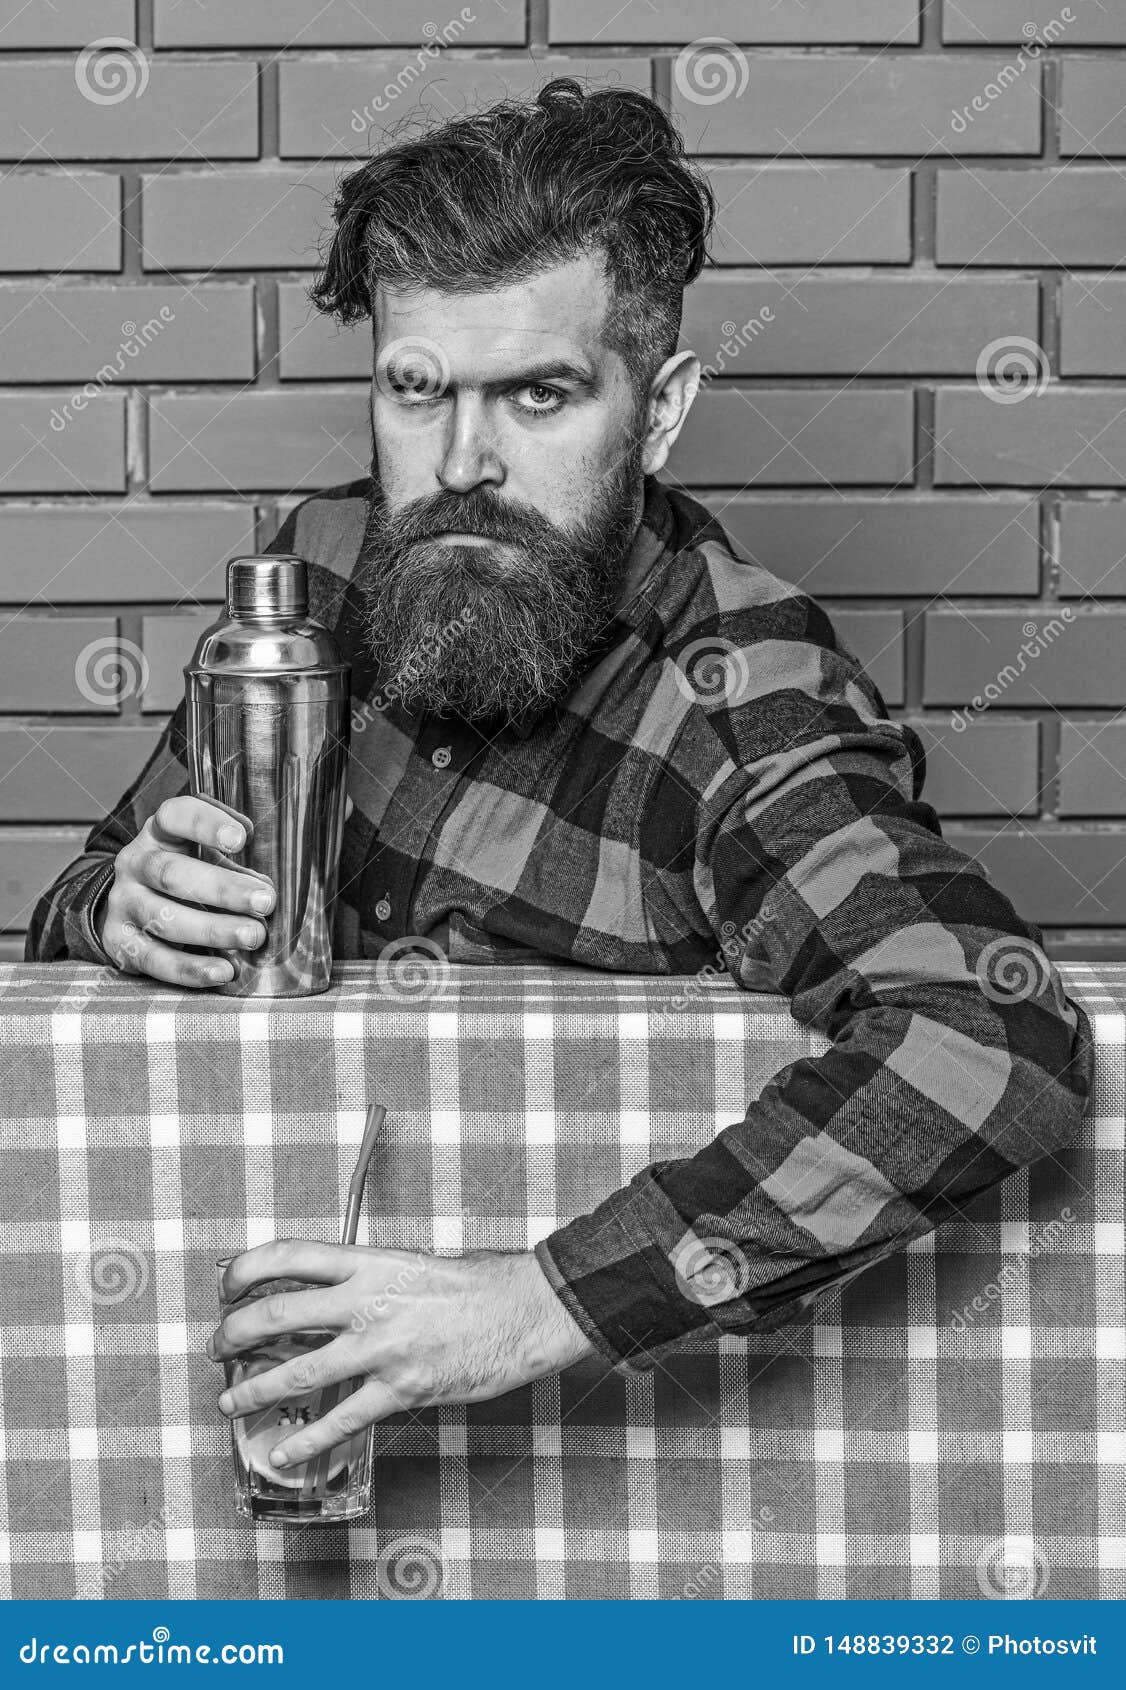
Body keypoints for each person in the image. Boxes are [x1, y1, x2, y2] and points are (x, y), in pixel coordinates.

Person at [26, 80, 1094, 1474]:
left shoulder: (742, 689)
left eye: (538, 394)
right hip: (251, 1376)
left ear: (657, 414)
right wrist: (116, 907)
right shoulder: (324, 578)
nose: (464, 465)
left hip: (605, 1460)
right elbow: (74, 910)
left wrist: (530, 1304)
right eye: (417, 391)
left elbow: (990, 1035)